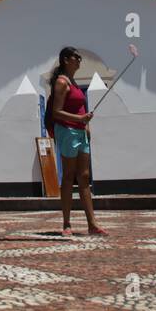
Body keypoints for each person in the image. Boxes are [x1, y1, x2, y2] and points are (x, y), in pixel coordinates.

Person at [46, 47, 107, 237]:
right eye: (76, 57)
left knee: (84, 176)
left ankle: (92, 224)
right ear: (66, 60)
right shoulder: (62, 82)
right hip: (67, 131)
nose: (80, 60)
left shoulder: (73, 81)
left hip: (80, 133)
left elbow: (80, 106)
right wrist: (79, 120)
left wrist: (85, 125)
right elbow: (56, 112)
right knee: (68, 176)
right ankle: (66, 224)